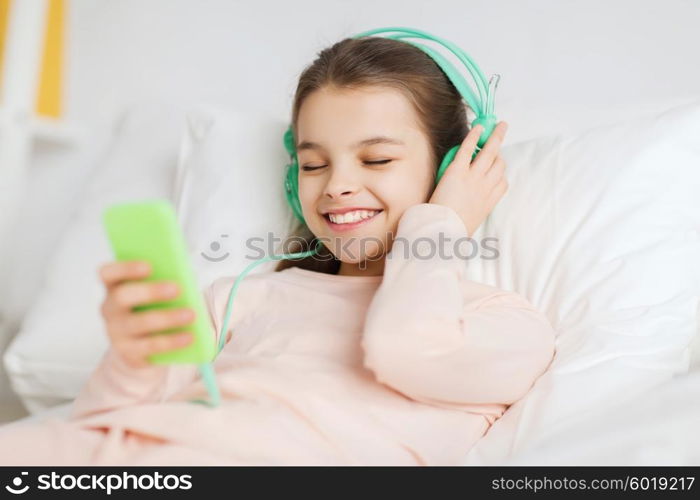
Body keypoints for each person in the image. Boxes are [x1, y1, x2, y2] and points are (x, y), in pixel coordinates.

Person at [0, 35, 555, 466]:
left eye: (377, 160)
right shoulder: (242, 296)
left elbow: (407, 351)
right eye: (313, 164)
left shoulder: (503, 324)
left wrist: (440, 223)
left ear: (452, 168)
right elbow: (103, 428)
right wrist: (133, 358)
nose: (335, 185)